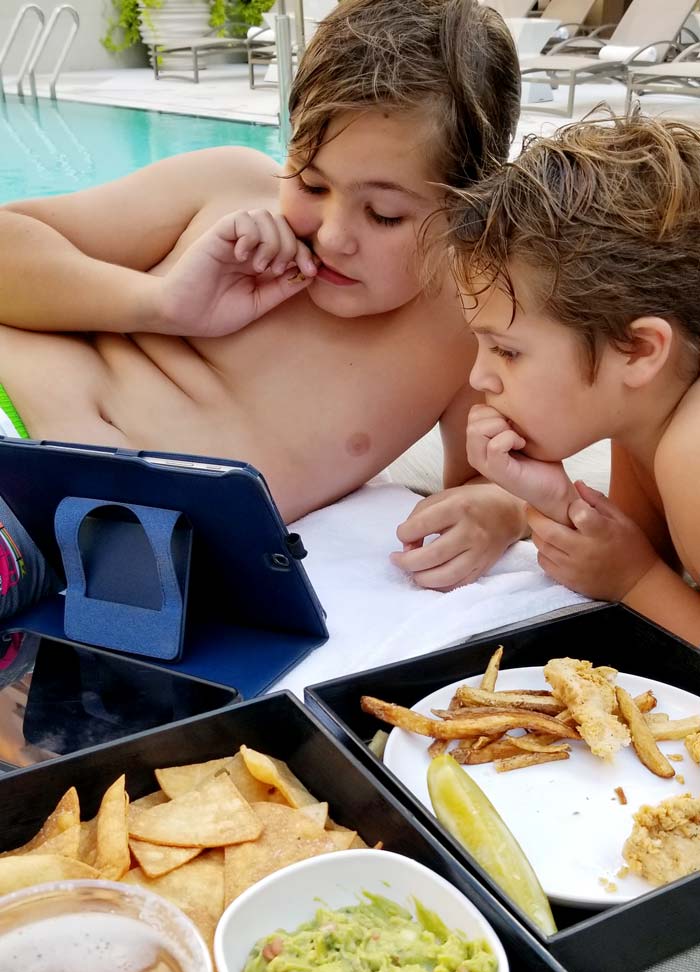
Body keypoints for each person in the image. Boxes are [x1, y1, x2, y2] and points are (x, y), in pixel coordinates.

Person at [0, 0, 529, 618]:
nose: (332, 234)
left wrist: (502, 511)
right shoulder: (227, 189)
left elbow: (495, 476)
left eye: (384, 214)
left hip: (102, 547)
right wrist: (162, 305)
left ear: (468, 209)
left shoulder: (467, 326)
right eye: (310, 183)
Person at [447, 112, 700, 645]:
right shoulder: (643, 412)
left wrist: (635, 581)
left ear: (638, 350)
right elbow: (632, 543)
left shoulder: (691, 450)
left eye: (507, 351)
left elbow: (638, 568)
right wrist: (558, 501)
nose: (479, 376)